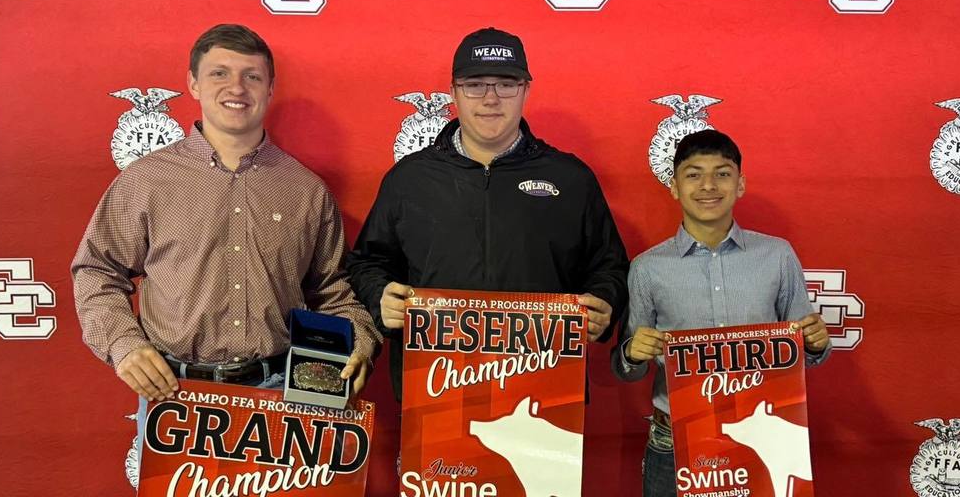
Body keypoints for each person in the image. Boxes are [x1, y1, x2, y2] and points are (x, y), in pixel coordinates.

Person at [72, 23, 379, 405]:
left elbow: (333, 292)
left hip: (283, 392)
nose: (236, 88)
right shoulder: (145, 181)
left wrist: (361, 340)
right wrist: (122, 341)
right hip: (174, 393)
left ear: (269, 89)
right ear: (193, 83)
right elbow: (97, 270)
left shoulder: (306, 190)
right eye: (219, 73)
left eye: (252, 76)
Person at [346, 26, 629, 397]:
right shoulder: (409, 178)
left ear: (526, 89)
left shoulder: (570, 178)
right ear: (453, 92)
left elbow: (609, 265)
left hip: (546, 389)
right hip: (436, 387)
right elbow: (368, 262)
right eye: (475, 84)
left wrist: (604, 303)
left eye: (506, 84)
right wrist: (381, 295)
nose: (490, 98)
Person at [612, 129, 830, 497]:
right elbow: (626, 369)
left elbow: (806, 354)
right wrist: (633, 353)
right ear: (675, 187)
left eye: (723, 173)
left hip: (763, 432)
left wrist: (813, 343)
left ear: (740, 184)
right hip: (675, 436)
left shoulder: (777, 256)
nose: (708, 185)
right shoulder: (648, 268)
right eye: (693, 174)